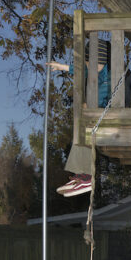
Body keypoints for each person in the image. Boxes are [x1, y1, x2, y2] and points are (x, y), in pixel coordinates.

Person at [49, 39, 111, 196]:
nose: (90, 68)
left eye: (93, 65)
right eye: (88, 64)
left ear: (101, 62)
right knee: (82, 127)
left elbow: (103, 97)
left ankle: (87, 176)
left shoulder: (108, 76)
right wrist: (61, 66)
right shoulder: (91, 70)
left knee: (85, 124)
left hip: (107, 117)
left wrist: (88, 106)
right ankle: (83, 175)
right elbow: (77, 69)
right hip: (96, 118)